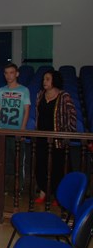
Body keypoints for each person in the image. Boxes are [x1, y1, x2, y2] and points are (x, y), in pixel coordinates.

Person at [34, 70, 76, 204]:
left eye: (47, 79)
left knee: (58, 167)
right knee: (41, 164)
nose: (44, 82)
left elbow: (72, 115)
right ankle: (43, 191)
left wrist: (67, 134)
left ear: (54, 80)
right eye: (44, 79)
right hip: (42, 137)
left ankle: (59, 195)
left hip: (58, 138)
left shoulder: (64, 96)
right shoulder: (40, 95)